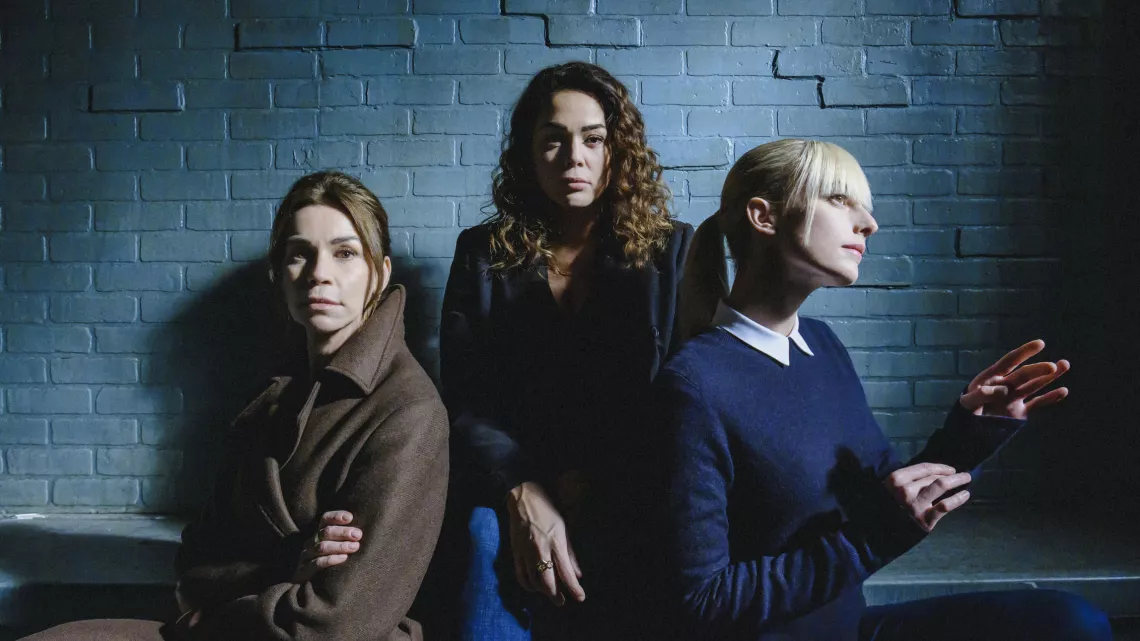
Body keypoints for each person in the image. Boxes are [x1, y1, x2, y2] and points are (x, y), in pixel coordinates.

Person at [648, 139, 1112, 641]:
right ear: (764, 217)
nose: (868, 223)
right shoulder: (693, 386)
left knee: (1070, 623)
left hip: (849, 629)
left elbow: (883, 496)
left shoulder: (821, 345)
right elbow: (703, 601)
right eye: (839, 199)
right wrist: (871, 538)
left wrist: (973, 431)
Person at [23, 170, 449, 641]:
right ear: (279, 274)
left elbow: (336, 622)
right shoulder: (273, 397)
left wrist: (217, 615)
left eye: (345, 253)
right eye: (299, 254)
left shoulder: (408, 411)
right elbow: (193, 566)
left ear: (380, 273)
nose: (319, 273)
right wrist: (288, 561)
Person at [428, 61, 692, 640]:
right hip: (512, 484)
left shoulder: (671, 252)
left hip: (634, 485)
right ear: (528, 154)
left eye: (593, 139)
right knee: (481, 537)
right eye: (554, 140)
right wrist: (523, 490)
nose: (574, 157)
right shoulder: (482, 253)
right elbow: (465, 400)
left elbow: (686, 397)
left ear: (618, 151)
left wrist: (599, 483)